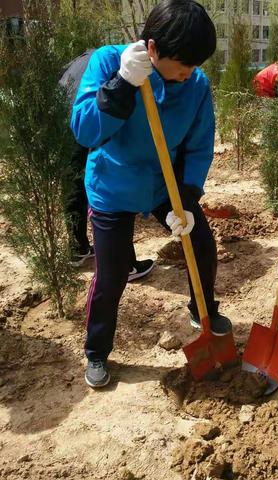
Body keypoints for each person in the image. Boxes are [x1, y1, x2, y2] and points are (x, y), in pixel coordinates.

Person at [71, 0, 232, 388]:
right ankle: (97, 351)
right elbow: (85, 131)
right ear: (154, 48)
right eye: (184, 64)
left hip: (164, 186)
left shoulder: (195, 84)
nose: (190, 73)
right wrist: (121, 85)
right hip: (113, 185)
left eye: (197, 65)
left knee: (201, 245)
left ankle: (203, 309)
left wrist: (188, 198)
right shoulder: (111, 63)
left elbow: (198, 145)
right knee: (110, 277)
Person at [60, 51, 154, 282]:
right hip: (93, 122)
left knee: (74, 184)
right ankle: (126, 265)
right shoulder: (111, 62)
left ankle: (77, 247)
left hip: (64, 123)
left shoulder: (74, 62)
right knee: (109, 191)